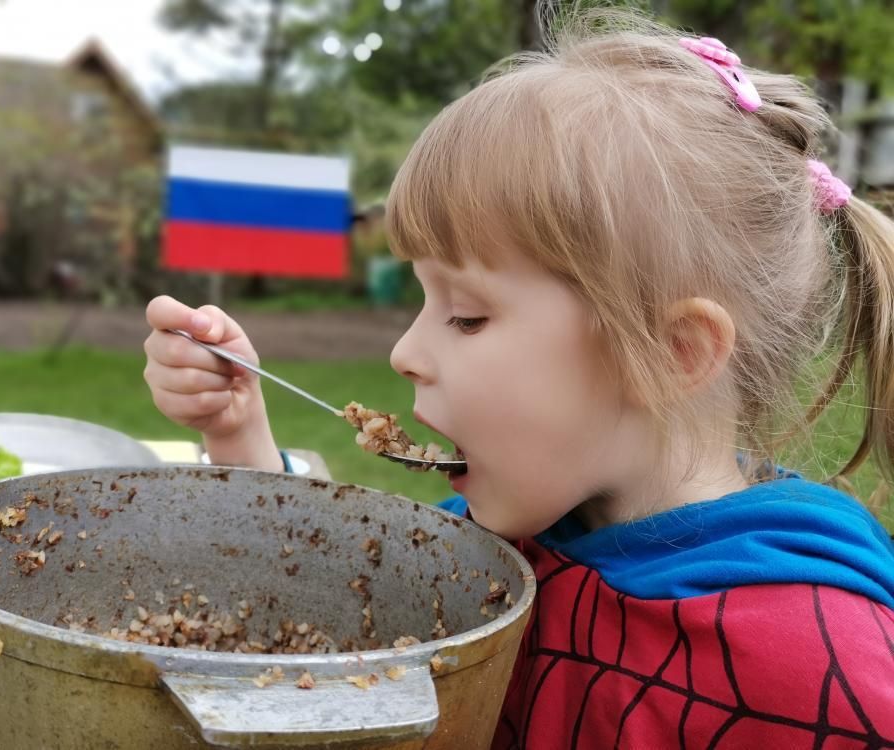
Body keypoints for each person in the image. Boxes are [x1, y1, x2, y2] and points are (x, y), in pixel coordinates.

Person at [144, 11, 894, 748]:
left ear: (673, 353)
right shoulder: (509, 546)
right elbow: (323, 622)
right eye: (423, 301)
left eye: (466, 315)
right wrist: (240, 430)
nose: (405, 351)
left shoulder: (815, 667)